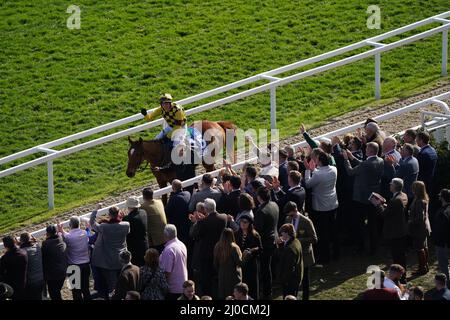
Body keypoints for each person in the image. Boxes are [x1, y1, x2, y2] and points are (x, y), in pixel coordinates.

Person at [343, 142, 384, 254]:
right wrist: (353, 157)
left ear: (370, 150)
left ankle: (361, 247)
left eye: (366, 148)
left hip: (361, 197)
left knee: (359, 223)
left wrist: (347, 159)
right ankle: (373, 247)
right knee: (372, 223)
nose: (365, 150)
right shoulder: (380, 160)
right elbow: (364, 164)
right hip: (374, 196)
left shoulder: (365, 164)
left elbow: (351, 172)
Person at [304, 148, 339, 264]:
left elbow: (308, 184)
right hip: (332, 203)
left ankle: (325, 257)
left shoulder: (318, 174)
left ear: (319, 160)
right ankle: (336, 252)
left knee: (323, 233)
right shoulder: (333, 169)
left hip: (321, 207)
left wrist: (308, 170)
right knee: (333, 230)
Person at [90, 205, 130, 299]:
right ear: (118, 214)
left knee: (113, 287)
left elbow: (92, 223)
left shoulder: (104, 227)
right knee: (122, 284)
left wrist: (95, 210)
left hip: (109, 262)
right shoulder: (126, 225)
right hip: (121, 260)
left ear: (109, 215)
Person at [190, 198, 227, 297]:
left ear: (206, 210)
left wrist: (197, 222)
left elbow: (194, 235)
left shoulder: (204, 222)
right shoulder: (224, 217)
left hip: (206, 254)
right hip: (220, 251)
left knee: (206, 279)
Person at [140, 93, 187, 170]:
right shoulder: (160, 109)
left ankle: (182, 164)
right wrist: (145, 115)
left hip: (181, 127)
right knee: (156, 140)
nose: (167, 105)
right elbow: (150, 118)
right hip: (170, 126)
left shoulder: (177, 110)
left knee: (176, 145)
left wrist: (168, 136)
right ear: (161, 104)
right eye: (165, 103)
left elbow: (178, 126)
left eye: (168, 103)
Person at [371, 178, 408, 274]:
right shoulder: (403, 195)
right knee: (400, 255)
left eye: (391, 184)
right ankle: (401, 275)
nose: (389, 185)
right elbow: (395, 210)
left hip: (394, 231)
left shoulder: (395, 200)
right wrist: (386, 204)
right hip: (401, 230)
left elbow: (384, 215)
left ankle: (399, 277)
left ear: (395, 186)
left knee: (396, 256)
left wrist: (378, 205)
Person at [284, 202, 317, 300]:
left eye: (291, 214)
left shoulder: (306, 221)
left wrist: (298, 240)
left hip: (305, 255)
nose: (290, 216)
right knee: (294, 279)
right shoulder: (288, 219)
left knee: (305, 280)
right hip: (293, 255)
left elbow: (314, 238)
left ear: (295, 210)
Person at [253, 186, 279, 299]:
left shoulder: (261, 211)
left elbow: (258, 230)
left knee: (265, 269)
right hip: (274, 239)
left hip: (265, 243)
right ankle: (272, 285)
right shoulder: (274, 204)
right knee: (270, 266)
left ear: (259, 197)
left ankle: (267, 292)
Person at [58, 216, 91, 300]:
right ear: (79, 224)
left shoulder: (68, 237)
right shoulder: (84, 233)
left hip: (73, 267)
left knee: (76, 292)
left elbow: (62, 236)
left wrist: (60, 230)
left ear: (70, 225)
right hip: (85, 265)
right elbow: (87, 233)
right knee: (86, 289)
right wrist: (87, 228)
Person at [234, 214, 262, 300]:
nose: (242, 224)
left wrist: (251, 251)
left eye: (245, 222)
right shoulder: (236, 234)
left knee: (252, 285)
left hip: (251, 264)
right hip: (241, 263)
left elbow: (260, 249)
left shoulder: (255, 235)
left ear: (249, 224)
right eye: (241, 222)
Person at [408, 181, 431, 275]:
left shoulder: (418, 201)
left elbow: (420, 218)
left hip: (419, 229)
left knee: (420, 248)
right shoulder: (423, 198)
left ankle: (422, 268)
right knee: (424, 247)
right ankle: (425, 266)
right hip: (424, 228)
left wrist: (411, 221)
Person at [159, 224, 188, 300]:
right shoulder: (182, 244)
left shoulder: (169, 250)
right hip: (183, 284)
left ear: (165, 235)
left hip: (173, 288)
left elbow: (166, 272)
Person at [214, 228, 243, 299]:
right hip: (234, 276)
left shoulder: (217, 246)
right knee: (234, 296)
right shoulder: (234, 247)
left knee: (223, 296)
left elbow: (215, 263)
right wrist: (246, 255)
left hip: (222, 275)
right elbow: (239, 263)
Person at [275, 224, 303, 298]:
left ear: (287, 233)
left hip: (290, 282)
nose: (280, 235)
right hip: (296, 278)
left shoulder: (290, 249)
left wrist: (283, 281)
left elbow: (289, 267)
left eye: (282, 233)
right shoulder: (296, 241)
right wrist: (281, 246)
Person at [41, 225, 67, 300]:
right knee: (57, 292)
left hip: (53, 275)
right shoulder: (61, 239)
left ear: (47, 234)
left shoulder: (46, 244)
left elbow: (42, 256)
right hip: (63, 272)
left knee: (54, 294)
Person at [122, 196, 149, 267]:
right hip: (145, 245)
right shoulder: (143, 212)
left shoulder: (128, 219)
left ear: (129, 207)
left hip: (135, 250)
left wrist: (124, 218)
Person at [0, 236, 27, 300]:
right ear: (15, 242)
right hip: (23, 284)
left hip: (11, 287)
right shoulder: (24, 252)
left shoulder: (5, 258)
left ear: (5, 246)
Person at [140, 188, 167, 252]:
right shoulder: (159, 202)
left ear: (143, 196)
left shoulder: (143, 207)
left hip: (156, 240)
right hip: (165, 235)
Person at [19, 233, 44, 300]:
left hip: (31, 282)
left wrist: (20, 245)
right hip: (41, 280)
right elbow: (34, 245)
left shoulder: (23, 252)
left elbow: (21, 253)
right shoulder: (37, 247)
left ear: (21, 241)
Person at [165, 180, 191, 245]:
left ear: (173, 189)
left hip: (179, 225)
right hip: (188, 222)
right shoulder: (188, 193)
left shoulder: (173, 198)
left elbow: (166, 211)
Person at [433, 189, 450, 286]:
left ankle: (446, 285)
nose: (439, 198)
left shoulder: (442, 212)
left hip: (443, 244)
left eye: (440, 196)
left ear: (442, 198)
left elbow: (441, 230)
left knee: (443, 265)